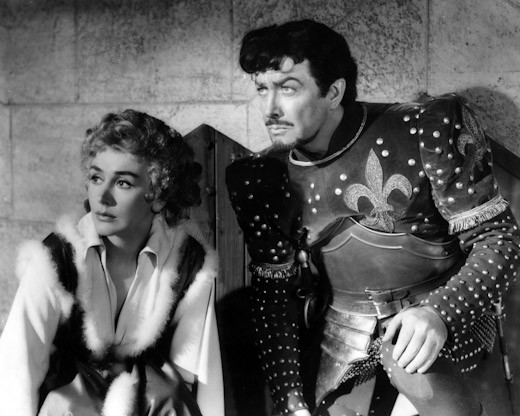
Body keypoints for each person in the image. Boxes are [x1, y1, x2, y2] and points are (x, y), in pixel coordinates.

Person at [225, 19, 520, 416]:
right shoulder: (261, 176)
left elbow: (499, 239)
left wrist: (440, 313)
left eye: (288, 88)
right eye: (262, 88)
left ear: (333, 92)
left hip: (448, 331)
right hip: (340, 343)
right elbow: (274, 295)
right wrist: (291, 404)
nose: (270, 108)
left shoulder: (424, 128)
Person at [0, 110, 224, 416]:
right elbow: (16, 369)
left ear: (158, 195)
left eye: (123, 183)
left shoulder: (188, 263)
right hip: (67, 405)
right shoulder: (57, 258)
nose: (102, 197)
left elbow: (196, 375)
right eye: (96, 178)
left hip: (151, 405)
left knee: (168, 392)